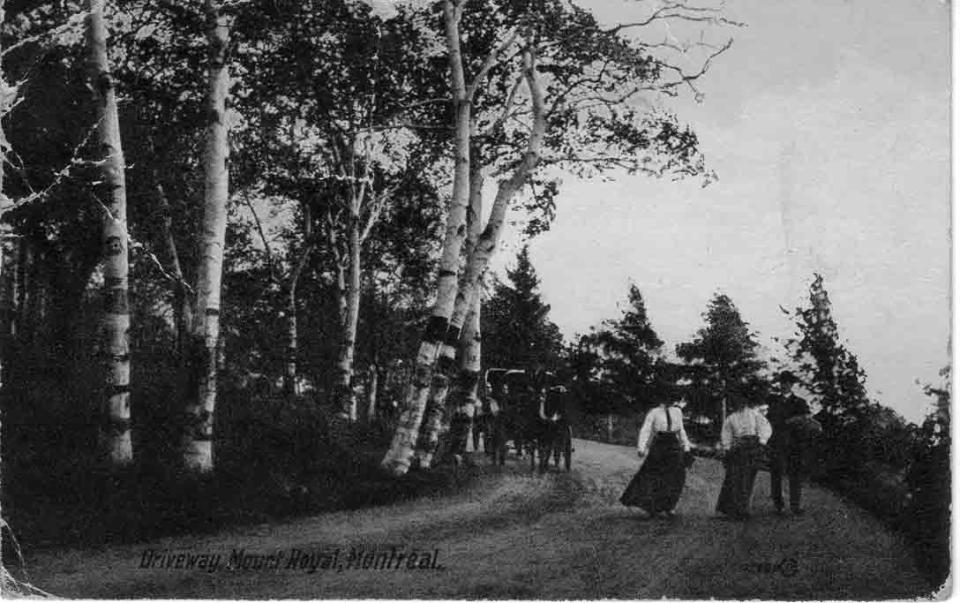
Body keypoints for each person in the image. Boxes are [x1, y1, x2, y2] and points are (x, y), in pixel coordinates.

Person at [620, 399, 691, 518]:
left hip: (673, 444)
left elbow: (681, 430)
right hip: (659, 444)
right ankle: (652, 507)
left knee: (677, 476)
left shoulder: (677, 412)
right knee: (655, 476)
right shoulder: (654, 412)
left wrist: (686, 446)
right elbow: (646, 429)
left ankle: (670, 507)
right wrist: (641, 447)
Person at [716, 391, 772, 519]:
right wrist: (727, 447)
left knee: (747, 479)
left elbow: (765, 428)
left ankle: (743, 508)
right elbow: (726, 433)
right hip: (737, 449)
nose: (738, 403)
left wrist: (762, 442)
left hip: (752, 448)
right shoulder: (731, 418)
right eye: (736, 401)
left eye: (741, 400)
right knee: (734, 479)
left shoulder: (754, 414)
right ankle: (731, 509)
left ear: (745, 401)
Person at [768, 371, 814, 515]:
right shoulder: (773, 401)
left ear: (792, 385)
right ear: (779, 384)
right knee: (776, 473)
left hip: (795, 443)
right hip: (777, 442)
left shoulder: (800, 402)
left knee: (795, 474)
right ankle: (778, 505)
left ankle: (795, 506)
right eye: (782, 383)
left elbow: (806, 418)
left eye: (787, 383)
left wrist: (794, 420)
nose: (784, 385)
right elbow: (768, 421)